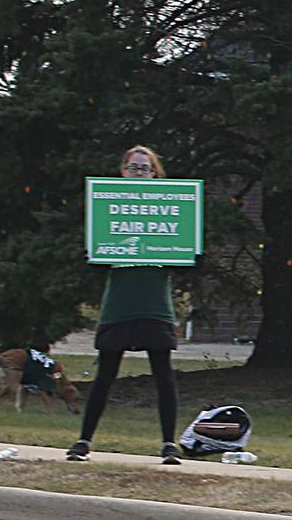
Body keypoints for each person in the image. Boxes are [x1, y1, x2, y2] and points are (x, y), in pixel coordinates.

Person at [66, 145, 184, 465]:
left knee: (164, 375)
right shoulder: (109, 206)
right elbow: (97, 259)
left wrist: (191, 255)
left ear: (155, 174)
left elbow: (184, 254)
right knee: (105, 375)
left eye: (145, 169)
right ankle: (83, 441)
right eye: (133, 168)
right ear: (123, 171)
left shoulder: (171, 207)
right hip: (119, 306)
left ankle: (169, 444)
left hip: (155, 305)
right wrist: (95, 255)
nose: (139, 172)